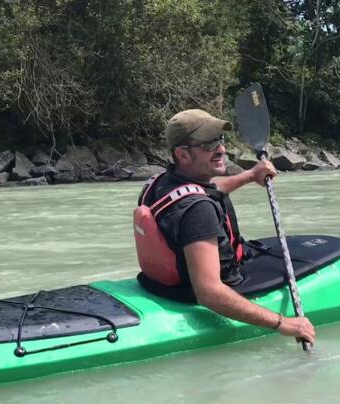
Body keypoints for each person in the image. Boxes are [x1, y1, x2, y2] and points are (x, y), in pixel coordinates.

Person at [135, 109, 316, 345]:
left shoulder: (160, 183)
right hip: (212, 286)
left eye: (220, 140)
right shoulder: (198, 211)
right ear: (183, 154)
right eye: (208, 145)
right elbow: (209, 292)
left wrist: (250, 175)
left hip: (164, 284)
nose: (221, 149)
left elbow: (209, 189)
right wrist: (283, 323)